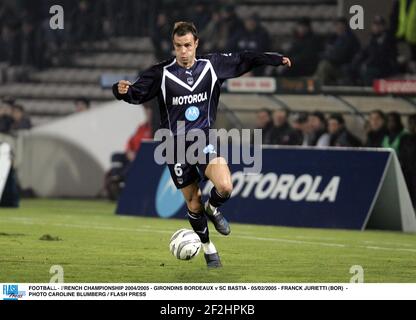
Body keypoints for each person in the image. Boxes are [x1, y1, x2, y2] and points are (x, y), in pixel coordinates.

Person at [113, 21, 292, 268]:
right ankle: (209, 249)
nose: (183, 51)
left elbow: (243, 59)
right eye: (178, 46)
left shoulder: (212, 65)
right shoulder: (161, 73)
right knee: (193, 202)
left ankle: (214, 207)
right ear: (173, 46)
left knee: (226, 186)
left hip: (203, 140)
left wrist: (273, 59)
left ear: (196, 43)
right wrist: (121, 91)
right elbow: (136, 94)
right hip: (174, 146)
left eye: (187, 45)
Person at [399, 114, 416, 207]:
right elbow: (402, 154)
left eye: (414, 123)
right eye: (410, 123)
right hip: (407, 172)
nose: (412, 126)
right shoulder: (404, 138)